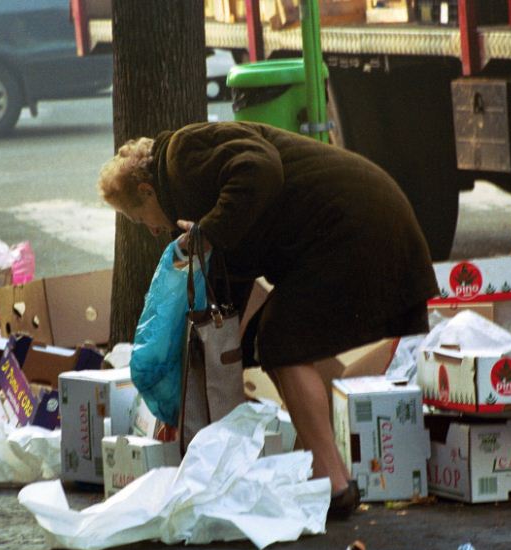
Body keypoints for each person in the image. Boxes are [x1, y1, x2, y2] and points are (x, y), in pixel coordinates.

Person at [98, 121, 439, 519]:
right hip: (352, 224)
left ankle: (334, 483)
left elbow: (260, 168)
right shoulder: (185, 182)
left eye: (141, 219)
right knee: (272, 339)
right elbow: (240, 263)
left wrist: (210, 233)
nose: (153, 229)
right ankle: (321, 466)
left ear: (146, 191)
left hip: (356, 224)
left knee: (284, 340)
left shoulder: (181, 159)